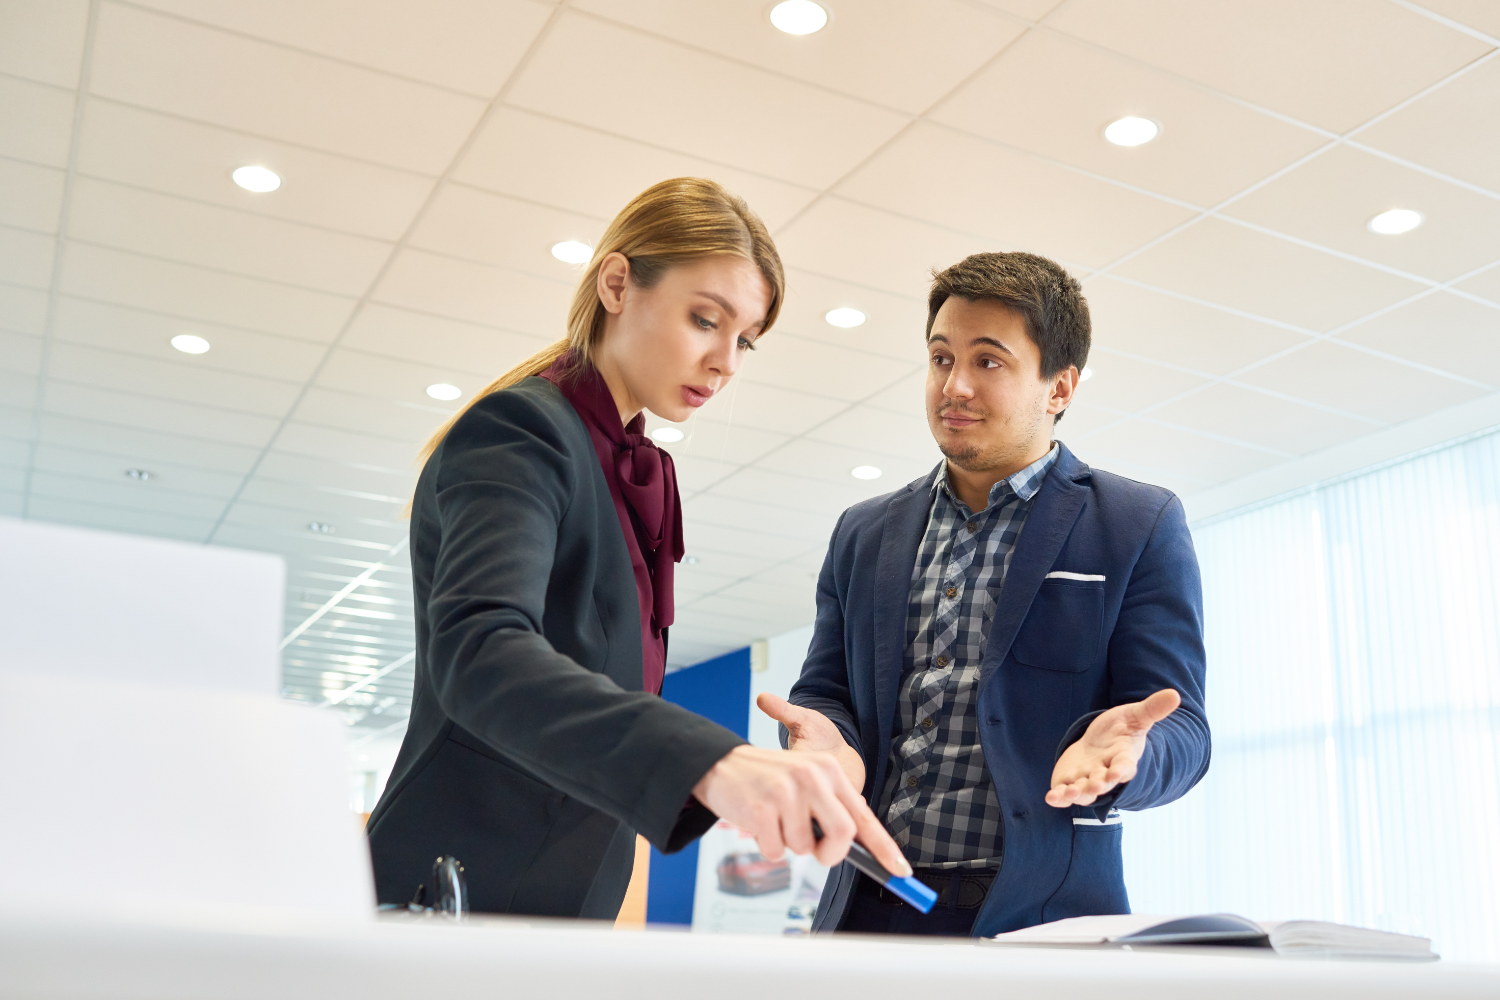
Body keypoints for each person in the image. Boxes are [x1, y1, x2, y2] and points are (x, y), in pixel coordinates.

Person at [366, 178, 909, 918]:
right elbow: (480, 652)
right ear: (617, 283)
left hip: (573, 887)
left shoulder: (639, 469)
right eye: (704, 320)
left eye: (744, 340)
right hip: (459, 876)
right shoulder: (520, 431)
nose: (726, 362)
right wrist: (711, 761)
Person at [760, 251, 1210, 937]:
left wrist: (1133, 757)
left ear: (1059, 387)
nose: (955, 386)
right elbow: (828, 694)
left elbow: (1184, 729)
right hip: (869, 908)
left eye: (988, 362)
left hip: (1037, 920)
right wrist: (826, 742)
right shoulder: (864, 533)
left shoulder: (1135, 523)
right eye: (942, 359)